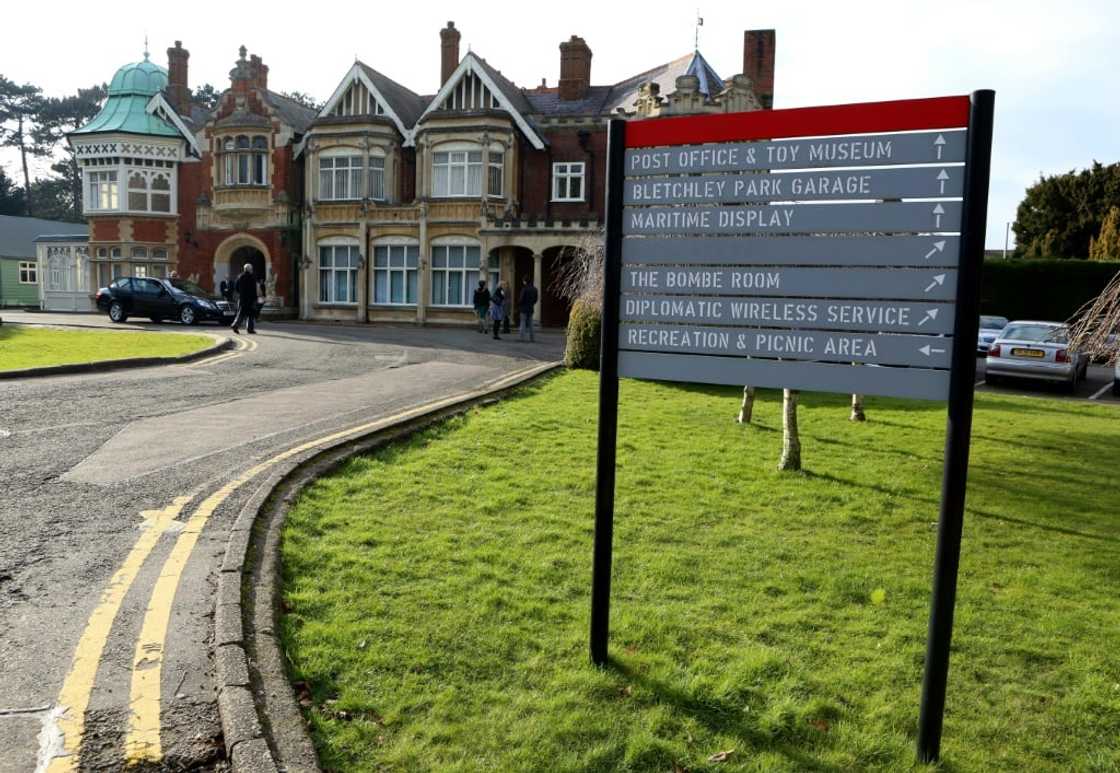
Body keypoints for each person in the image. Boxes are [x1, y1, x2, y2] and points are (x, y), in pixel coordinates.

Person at [230, 263, 259, 334]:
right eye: (251, 269)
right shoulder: (252, 277)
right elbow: (254, 290)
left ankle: (236, 325)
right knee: (251, 315)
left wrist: (241, 293)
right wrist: (255, 298)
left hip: (242, 298)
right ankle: (248, 329)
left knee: (241, 313)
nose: (252, 270)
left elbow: (236, 287)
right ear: (249, 269)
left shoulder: (240, 276)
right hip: (251, 299)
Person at [518, 277, 539, 342]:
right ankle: (532, 338)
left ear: (525, 281)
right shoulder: (535, 289)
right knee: (531, 324)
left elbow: (521, 299)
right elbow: (536, 299)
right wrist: (532, 303)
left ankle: (522, 338)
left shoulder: (524, 289)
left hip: (523, 308)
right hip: (530, 308)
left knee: (522, 323)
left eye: (523, 281)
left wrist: (519, 304)